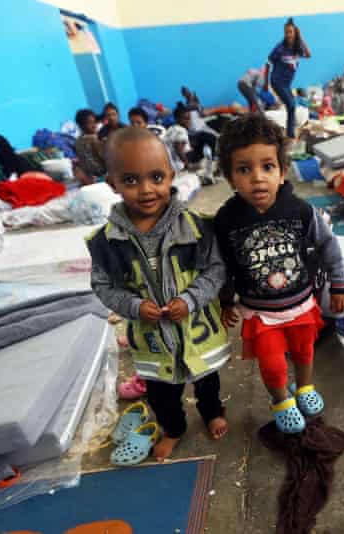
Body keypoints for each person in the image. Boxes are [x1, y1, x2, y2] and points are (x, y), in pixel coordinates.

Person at [86, 127, 230, 460]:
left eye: (155, 177)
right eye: (131, 180)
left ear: (171, 174)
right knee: (161, 392)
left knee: (207, 380)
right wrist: (134, 306)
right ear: (113, 183)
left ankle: (212, 413)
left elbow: (215, 270)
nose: (147, 190)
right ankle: (174, 429)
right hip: (153, 338)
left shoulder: (196, 226)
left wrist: (190, 299)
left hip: (197, 331)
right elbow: (103, 285)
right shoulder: (105, 242)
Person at [213, 114, 344, 434]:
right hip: (261, 313)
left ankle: (303, 388)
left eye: (267, 167)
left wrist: (339, 283)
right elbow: (221, 263)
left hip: (301, 304)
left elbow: (329, 245)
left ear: (283, 171)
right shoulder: (226, 220)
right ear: (230, 178)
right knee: (273, 364)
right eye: (244, 169)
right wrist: (225, 300)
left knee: (304, 352)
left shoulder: (301, 211)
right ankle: (280, 400)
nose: (257, 178)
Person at [267, 18, 311, 139]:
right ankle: (290, 135)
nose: (288, 34)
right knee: (291, 105)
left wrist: (301, 36)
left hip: (286, 84)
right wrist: (266, 83)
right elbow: (268, 62)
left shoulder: (297, 47)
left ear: (295, 32)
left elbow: (308, 54)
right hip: (277, 81)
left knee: (292, 106)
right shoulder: (280, 48)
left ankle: (289, 132)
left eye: (291, 32)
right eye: (286, 32)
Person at [74, 108, 105, 185]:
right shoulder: (93, 138)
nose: (94, 125)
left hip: (89, 177)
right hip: (101, 176)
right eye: (90, 123)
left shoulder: (77, 141)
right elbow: (103, 157)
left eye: (94, 122)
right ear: (81, 126)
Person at [163, 105, 195, 172]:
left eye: (189, 118)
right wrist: (188, 165)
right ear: (177, 119)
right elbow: (178, 149)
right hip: (178, 165)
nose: (188, 121)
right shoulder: (181, 130)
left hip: (168, 164)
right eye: (185, 118)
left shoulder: (171, 129)